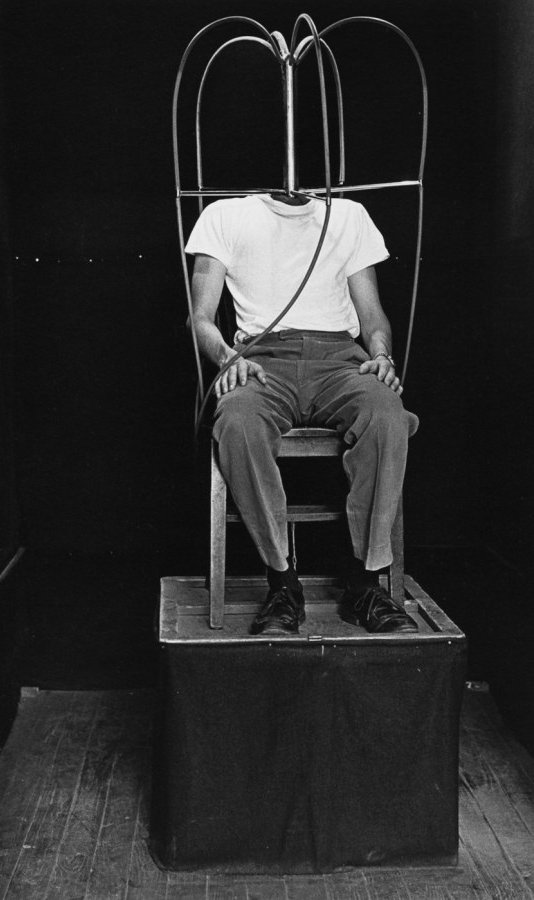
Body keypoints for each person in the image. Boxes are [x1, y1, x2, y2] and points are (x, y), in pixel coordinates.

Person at [186, 191, 419, 636]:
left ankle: (365, 585)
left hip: (340, 359)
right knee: (237, 422)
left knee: (387, 412)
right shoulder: (225, 214)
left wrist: (382, 356)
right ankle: (282, 584)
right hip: (260, 358)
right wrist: (227, 358)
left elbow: (372, 317)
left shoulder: (349, 214)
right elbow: (200, 316)